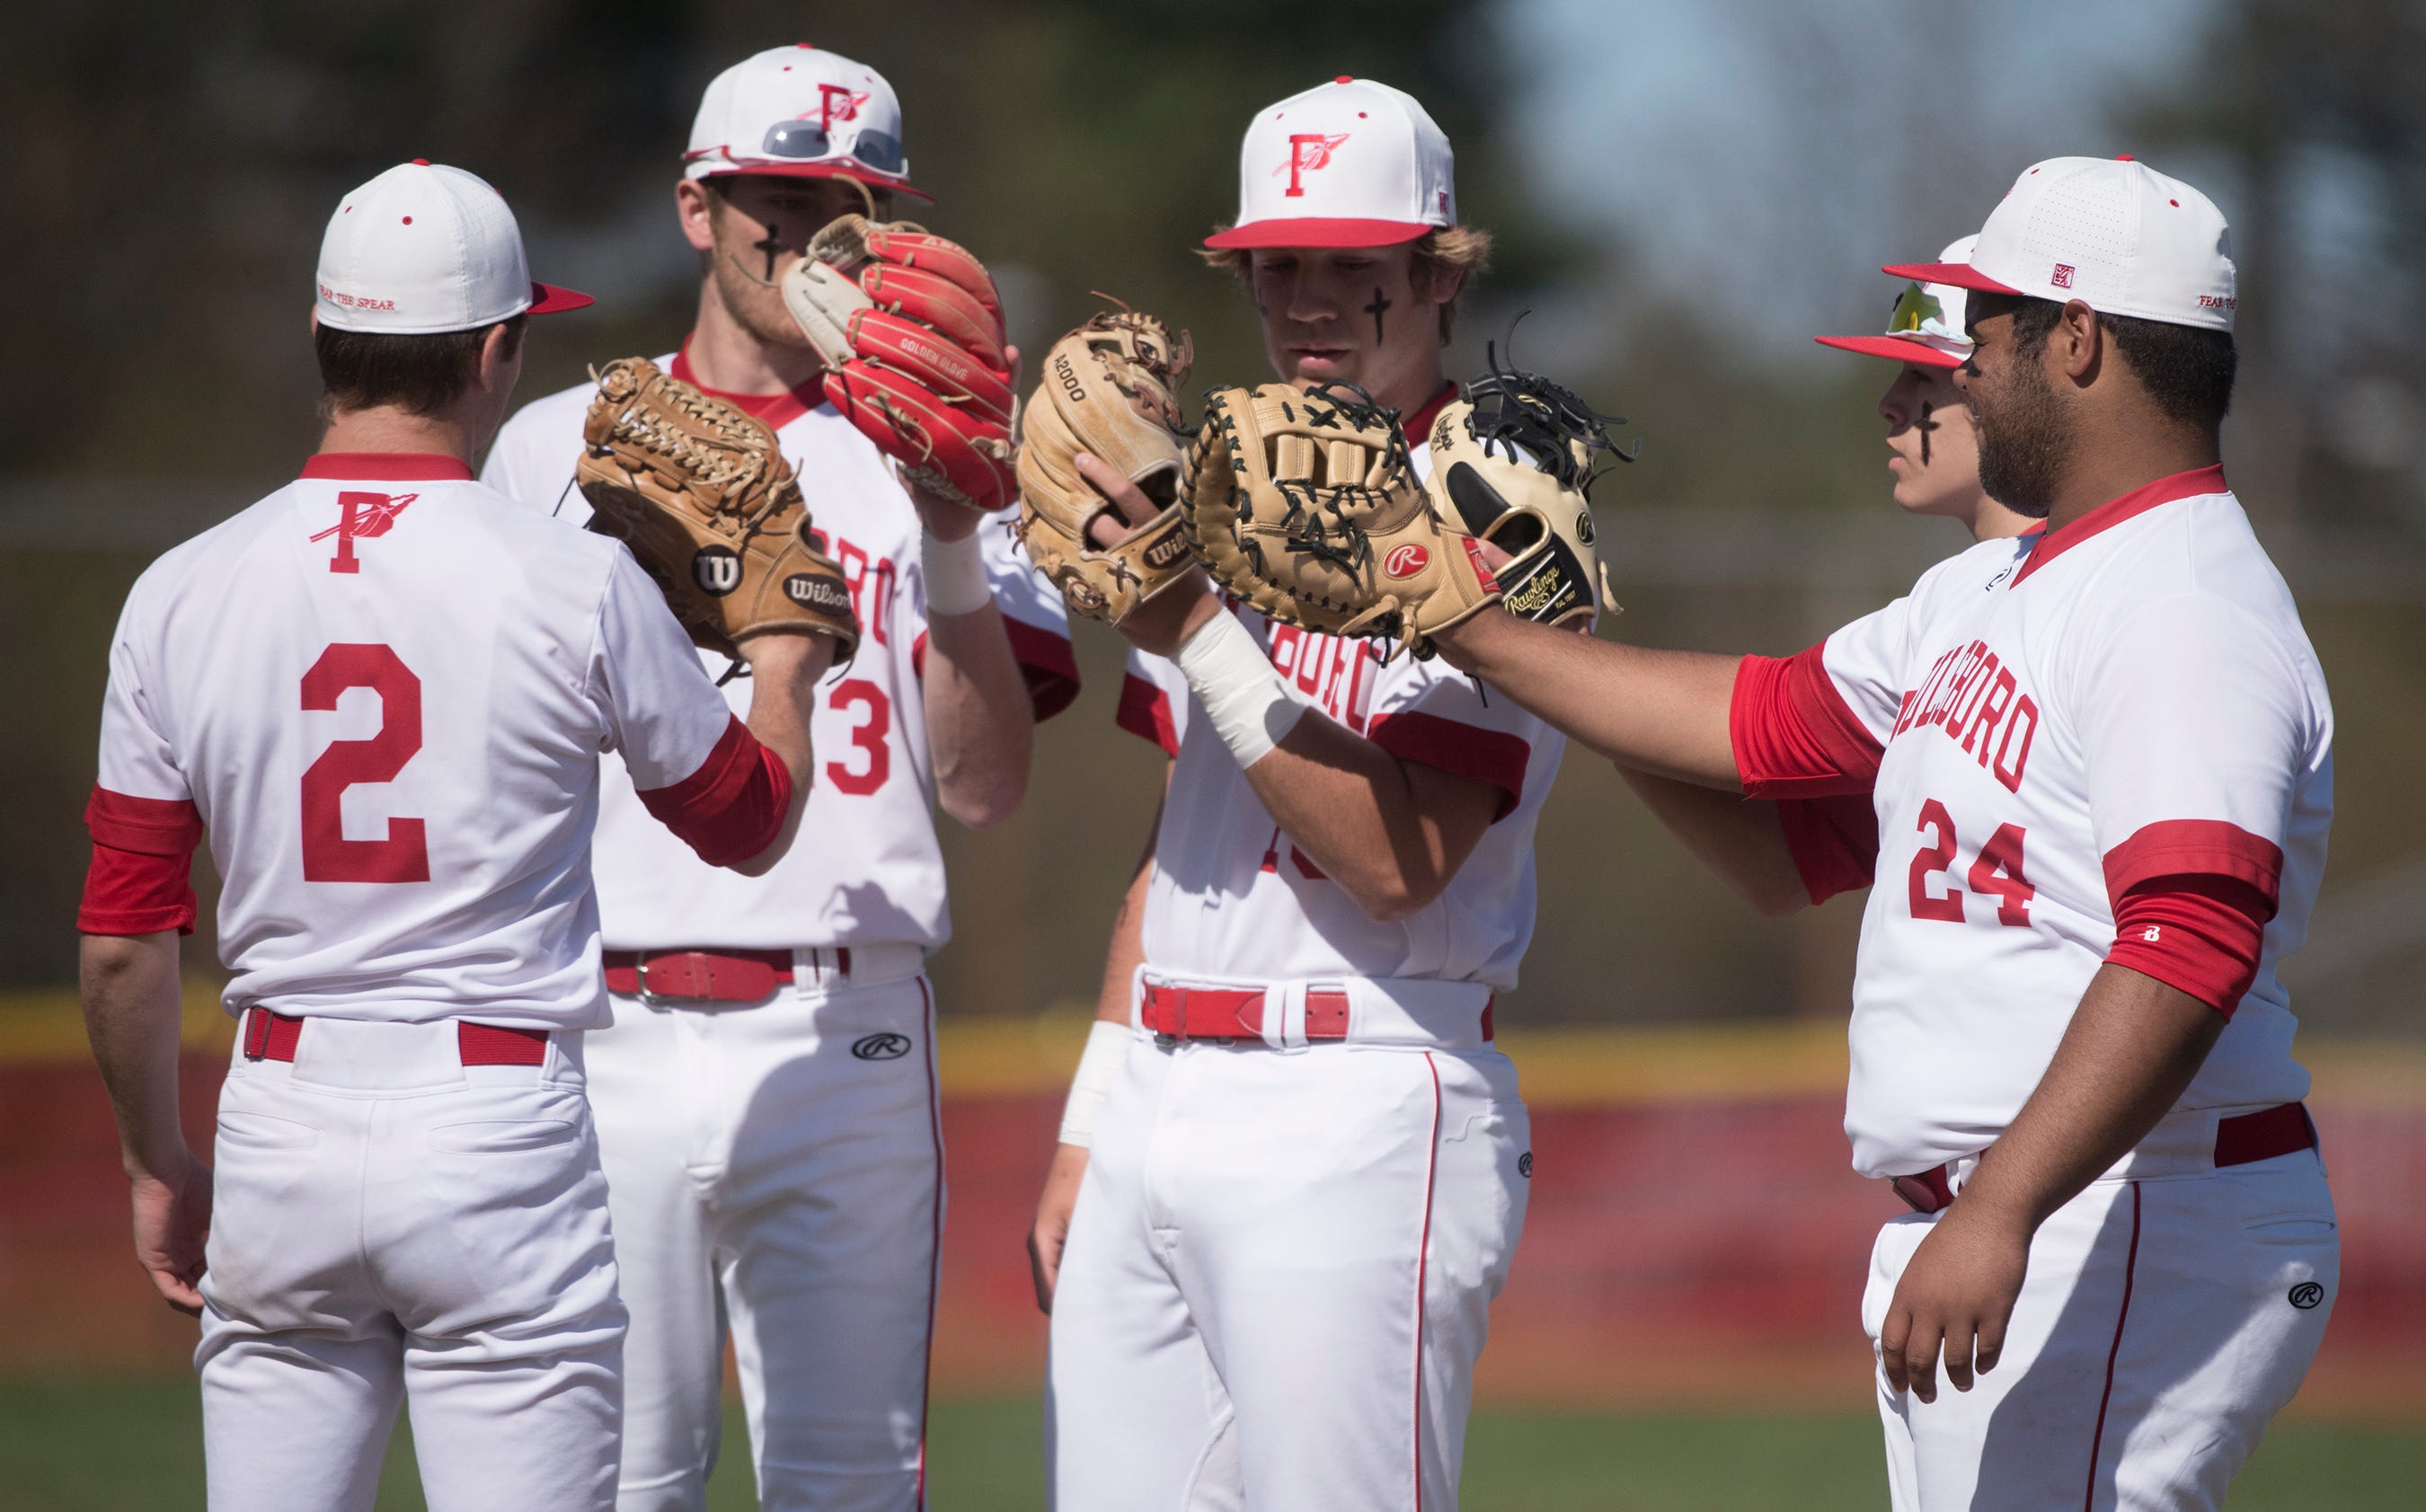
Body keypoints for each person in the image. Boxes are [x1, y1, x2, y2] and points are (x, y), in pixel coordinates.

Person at [1430, 156, 2336, 1510]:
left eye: (1987, 330)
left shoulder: (2183, 600)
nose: (1964, 362)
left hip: (2129, 1202)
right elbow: (1758, 729)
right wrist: (1470, 625)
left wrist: (2000, 1207)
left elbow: (2193, 933)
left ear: (2075, 339)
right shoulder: (2006, 580)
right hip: (2049, 1208)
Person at [76, 161, 840, 1512]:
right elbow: (747, 824)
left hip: (279, 1113)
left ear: (321, 335)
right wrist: (782, 657)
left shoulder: (179, 588)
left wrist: (157, 1159)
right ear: (499, 351)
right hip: (498, 1124)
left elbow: (127, 941)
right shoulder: (575, 578)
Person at [479, 43, 1075, 1512]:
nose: (812, 236)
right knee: (614, 1482)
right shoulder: (550, 448)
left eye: (852, 206)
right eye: (776, 198)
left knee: (851, 1483)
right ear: (697, 206)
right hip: (595, 1020)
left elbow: (988, 785)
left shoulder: (947, 461)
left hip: (844, 1024)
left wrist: (952, 525)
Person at [1025, 76, 1567, 1510]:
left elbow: (1401, 859)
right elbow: (1175, 850)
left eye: (1354, 264)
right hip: (1162, 1084)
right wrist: (1097, 1114)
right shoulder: (1226, 475)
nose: (1311, 299)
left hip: (1364, 1093)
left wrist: (1199, 625)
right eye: (1280, 266)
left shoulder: (1499, 497)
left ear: (1439, 275)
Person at [1628, 238, 2036, 917]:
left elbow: (1753, 727)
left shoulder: (2079, 588)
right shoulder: (1952, 601)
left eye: (1923, 378)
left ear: (2000, 385)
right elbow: (1784, 863)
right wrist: (1565, 665)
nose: (1888, 402)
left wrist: (1522, 648)